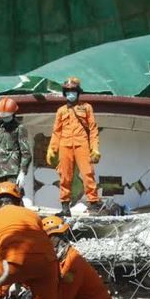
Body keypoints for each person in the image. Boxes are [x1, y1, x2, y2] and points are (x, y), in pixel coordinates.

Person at [46, 77, 101, 217]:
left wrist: (95, 148)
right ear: (65, 93)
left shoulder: (86, 107)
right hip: (65, 145)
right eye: (68, 91)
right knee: (64, 175)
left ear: (78, 92)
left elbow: (93, 129)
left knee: (88, 173)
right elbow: (56, 132)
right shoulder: (61, 111)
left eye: (74, 91)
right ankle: (65, 207)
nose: (71, 93)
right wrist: (52, 149)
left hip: (82, 144)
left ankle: (93, 204)